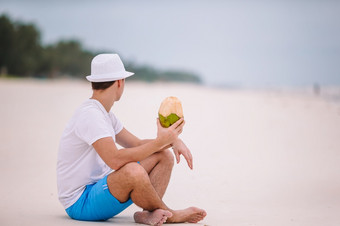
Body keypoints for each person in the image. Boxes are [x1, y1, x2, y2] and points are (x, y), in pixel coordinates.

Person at [57, 53, 207, 225]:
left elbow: (135, 144)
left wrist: (172, 141)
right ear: (120, 82)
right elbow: (114, 160)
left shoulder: (104, 114)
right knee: (132, 171)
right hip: (80, 202)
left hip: (100, 189)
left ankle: (149, 214)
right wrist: (160, 142)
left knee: (163, 155)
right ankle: (171, 214)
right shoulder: (90, 115)